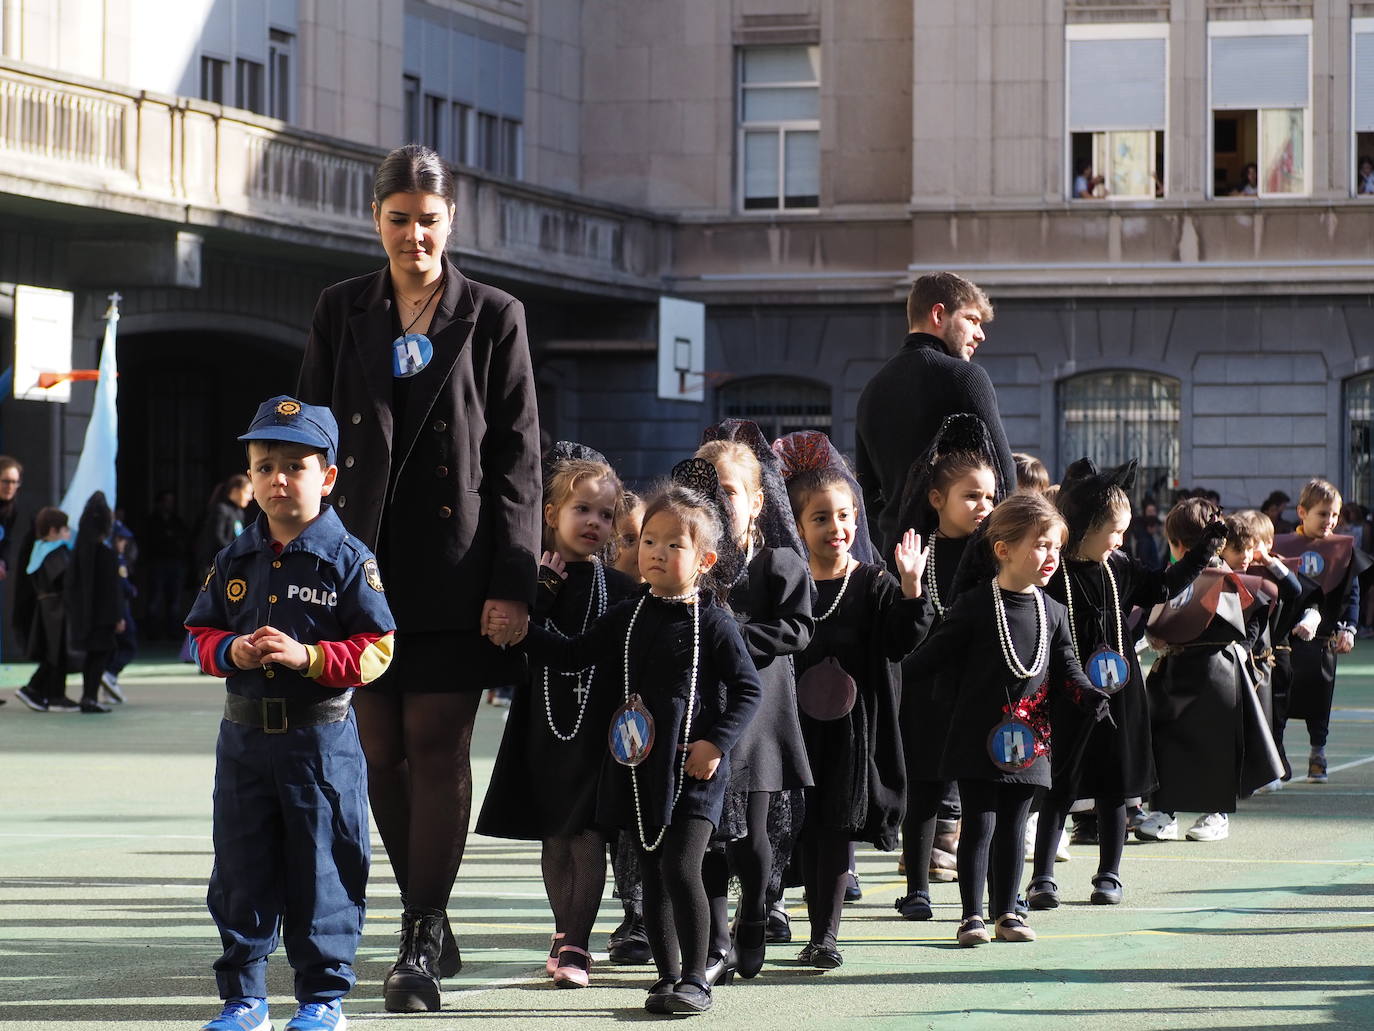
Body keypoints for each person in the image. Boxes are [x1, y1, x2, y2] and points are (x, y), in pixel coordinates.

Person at [297, 143, 541, 1011]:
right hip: (357, 569)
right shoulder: (339, 310)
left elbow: (519, 461)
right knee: (376, 758)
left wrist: (512, 583)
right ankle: (425, 910)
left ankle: (419, 938)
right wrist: (301, 562)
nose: (414, 236)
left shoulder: (494, 315)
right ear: (375, 220)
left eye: (428, 221)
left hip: (456, 571)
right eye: (398, 220)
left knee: (435, 751)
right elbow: (308, 447)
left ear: (452, 222)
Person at [507, 475, 763, 1015]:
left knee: (680, 868)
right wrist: (523, 627)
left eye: (675, 545)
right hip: (635, 769)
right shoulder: (627, 614)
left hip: (694, 773)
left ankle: (697, 976)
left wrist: (715, 743)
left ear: (706, 560)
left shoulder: (713, 622)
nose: (658, 553)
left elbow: (747, 689)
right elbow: (573, 653)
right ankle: (667, 978)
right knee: (650, 874)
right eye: (649, 541)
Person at [185, 395, 395, 1031]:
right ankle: (244, 996)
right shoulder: (234, 558)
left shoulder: (348, 558)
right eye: (264, 465)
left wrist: (307, 657)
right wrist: (232, 651)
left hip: (319, 744)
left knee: (323, 868)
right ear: (249, 477)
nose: (278, 478)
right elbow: (198, 634)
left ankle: (321, 998)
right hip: (245, 742)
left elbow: (379, 649)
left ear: (327, 477)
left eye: (295, 465)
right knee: (241, 867)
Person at [906, 491, 1108, 947]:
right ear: (1003, 549)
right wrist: (895, 675)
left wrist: (1087, 694)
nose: (1051, 555)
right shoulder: (976, 605)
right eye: (1041, 544)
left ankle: (1006, 913)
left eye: (1056, 546)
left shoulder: (1053, 611)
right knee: (980, 824)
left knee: (1016, 828)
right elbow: (932, 656)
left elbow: (1066, 665)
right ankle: (971, 916)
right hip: (977, 735)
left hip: (1031, 739)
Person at [476, 444, 638, 989]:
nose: (594, 522)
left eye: (605, 514)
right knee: (555, 836)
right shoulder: (529, 578)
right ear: (551, 514)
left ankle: (576, 942)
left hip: (596, 732)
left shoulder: (619, 587)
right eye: (582, 509)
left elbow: (612, 653)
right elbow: (505, 649)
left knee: (588, 833)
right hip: (541, 728)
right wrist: (539, 596)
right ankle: (563, 928)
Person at [1027, 460, 1224, 908]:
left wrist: (1204, 549)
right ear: (1087, 527)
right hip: (1067, 694)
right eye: (1116, 531)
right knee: (1058, 786)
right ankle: (1041, 877)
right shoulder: (1052, 572)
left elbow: (1164, 585)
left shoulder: (1119, 566)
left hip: (1118, 693)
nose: (1122, 540)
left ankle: (1108, 874)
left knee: (1116, 786)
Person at [782, 436, 926, 969]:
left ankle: (825, 936)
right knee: (802, 831)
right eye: (821, 518)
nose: (836, 528)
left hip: (852, 732)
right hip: (795, 729)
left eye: (845, 516)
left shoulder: (874, 583)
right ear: (799, 527)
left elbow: (902, 641)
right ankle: (772, 913)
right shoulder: (788, 583)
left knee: (836, 831)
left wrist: (912, 589)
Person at [695, 423, 815, 984]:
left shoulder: (778, 564)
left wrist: (735, 636)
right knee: (707, 833)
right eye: (707, 488)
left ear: (757, 500)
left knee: (754, 838)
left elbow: (798, 629)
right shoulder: (691, 562)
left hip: (761, 714)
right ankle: (716, 942)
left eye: (730, 489)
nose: (719, 499)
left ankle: (752, 915)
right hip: (703, 713)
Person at [892, 415, 1004, 921]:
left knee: (985, 798)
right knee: (925, 794)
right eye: (971, 496)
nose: (984, 507)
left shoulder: (999, 556)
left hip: (982, 693)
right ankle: (917, 887)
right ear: (937, 499)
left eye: (990, 497)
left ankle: (996, 894)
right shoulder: (919, 554)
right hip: (929, 694)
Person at [1138, 510, 1286, 843]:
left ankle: (1216, 813)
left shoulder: (1225, 577)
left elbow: (1265, 601)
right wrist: (1152, 635)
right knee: (1167, 740)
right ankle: (1165, 810)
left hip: (1216, 668)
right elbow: (1156, 615)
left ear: (1179, 544)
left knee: (1215, 741)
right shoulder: (1173, 575)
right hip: (1174, 667)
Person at [855, 272, 1016, 559]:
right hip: (960, 561)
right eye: (971, 320)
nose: (980, 334)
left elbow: (866, 490)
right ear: (939, 314)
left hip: (897, 560)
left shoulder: (872, 389)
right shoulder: (965, 378)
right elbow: (1004, 476)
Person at [1271, 479, 1371, 784]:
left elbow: (1352, 595)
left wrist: (1350, 628)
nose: (1329, 521)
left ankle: (1318, 753)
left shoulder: (1342, 550)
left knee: (1320, 700)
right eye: (1322, 513)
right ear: (1302, 512)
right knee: (1279, 699)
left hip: (1324, 640)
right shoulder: (1282, 546)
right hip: (1286, 641)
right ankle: (1277, 758)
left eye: (1334, 515)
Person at [13, 507, 79, 713]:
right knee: (56, 653)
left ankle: (45, 692)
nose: (68, 532)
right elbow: (64, 579)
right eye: (65, 528)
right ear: (53, 531)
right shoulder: (55, 552)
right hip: (56, 610)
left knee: (54, 653)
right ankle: (45, 692)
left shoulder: (40, 550)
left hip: (48, 609)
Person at [65, 492, 123, 714]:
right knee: (100, 656)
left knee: (92, 656)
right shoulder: (106, 555)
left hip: (85, 615)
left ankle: (87, 696)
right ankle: (89, 696)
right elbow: (113, 590)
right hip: (104, 618)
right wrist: (118, 617)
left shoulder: (78, 553)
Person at [140, 489, 190, 640]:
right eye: (166, 501)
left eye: (171, 501)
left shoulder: (177, 521)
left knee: (174, 600)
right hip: (157, 562)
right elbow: (148, 541)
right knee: (154, 599)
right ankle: (152, 632)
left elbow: (184, 539)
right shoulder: (152, 521)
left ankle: (172, 631)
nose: (169, 504)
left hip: (175, 562)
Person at [102, 521, 138, 703]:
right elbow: (120, 586)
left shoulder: (113, 558)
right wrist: (131, 590)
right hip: (119, 608)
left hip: (116, 607)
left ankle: (109, 685)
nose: (124, 543)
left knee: (113, 647)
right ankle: (110, 673)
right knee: (129, 644)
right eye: (121, 539)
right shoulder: (114, 559)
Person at [0, 455, 21, 582]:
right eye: (6, 481)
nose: (10, 487)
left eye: (15, 482)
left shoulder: (12, 508)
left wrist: (3, 561)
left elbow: (6, 539)